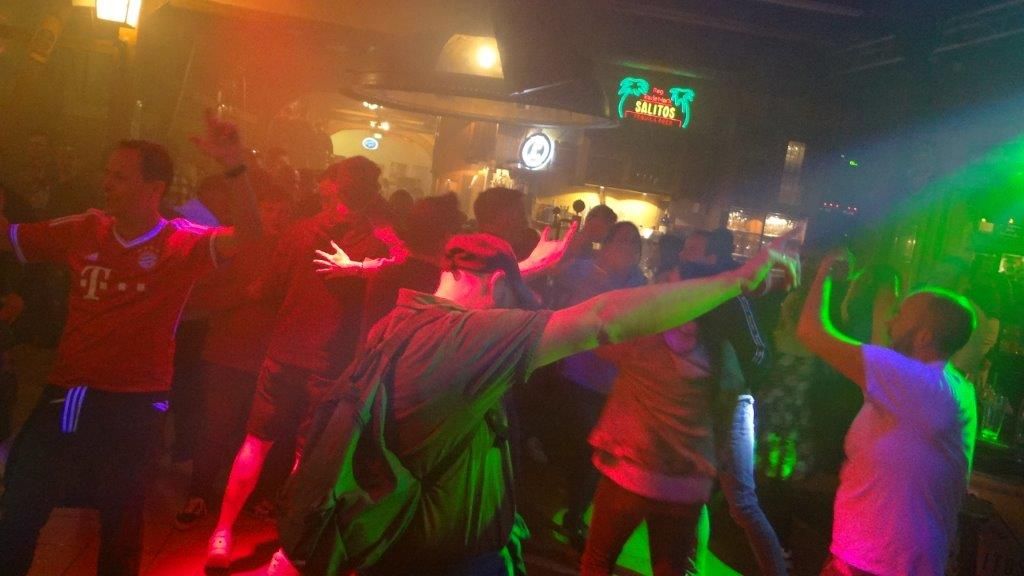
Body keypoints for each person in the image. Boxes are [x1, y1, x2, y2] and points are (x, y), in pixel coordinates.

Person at [270, 229, 799, 576]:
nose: (510, 317)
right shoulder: (466, 341)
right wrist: (736, 280)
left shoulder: (405, 319)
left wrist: (523, 266)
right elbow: (601, 320)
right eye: (510, 298)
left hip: (399, 549)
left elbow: (482, 287)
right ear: (498, 285)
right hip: (443, 562)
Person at [0, 111, 259, 576]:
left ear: (154, 188)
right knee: (21, 502)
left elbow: (252, 240)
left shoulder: (180, 242)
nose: (106, 184)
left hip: (137, 404)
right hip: (71, 393)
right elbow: (9, 237)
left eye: (119, 177)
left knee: (121, 521)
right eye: (107, 173)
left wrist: (235, 168)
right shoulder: (86, 228)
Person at [205, 156, 407, 568]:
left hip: (290, 354)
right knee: (302, 457)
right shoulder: (374, 243)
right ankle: (283, 544)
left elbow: (269, 287)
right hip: (326, 361)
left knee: (260, 444)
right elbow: (406, 264)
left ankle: (225, 535)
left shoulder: (301, 232)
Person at [797, 253, 977, 576]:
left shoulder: (917, 383)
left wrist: (824, 273)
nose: (889, 321)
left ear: (924, 337)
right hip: (869, 558)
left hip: (884, 564)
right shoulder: (932, 384)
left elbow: (811, 332)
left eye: (900, 315)